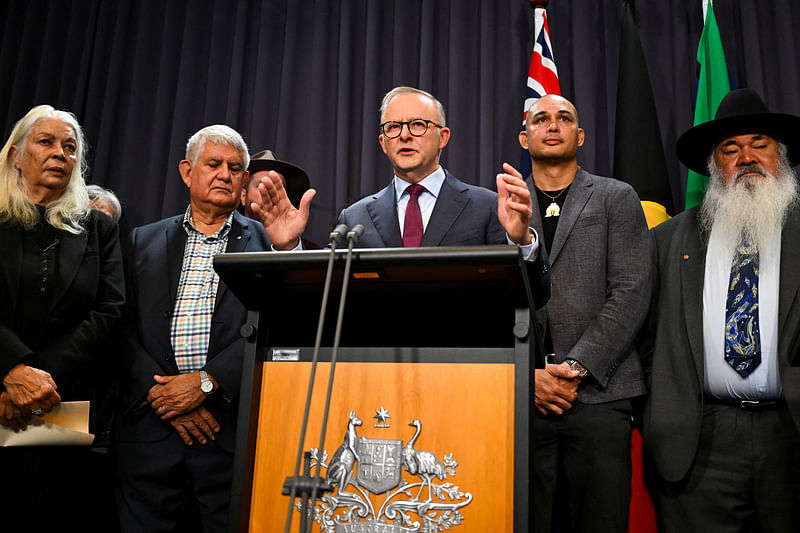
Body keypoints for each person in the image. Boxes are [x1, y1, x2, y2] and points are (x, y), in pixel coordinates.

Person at [639, 88, 800, 532]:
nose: (746, 157)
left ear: (781, 156)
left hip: (791, 432)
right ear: (714, 166)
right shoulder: (667, 241)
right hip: (698, 440)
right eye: (731, 149)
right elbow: (646, 338)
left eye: (760, 145)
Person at [254, 86, 549, 306]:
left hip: (466, 371)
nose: (405, 135)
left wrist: (521, 243)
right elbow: (325, 304)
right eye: (393, 127)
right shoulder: (353, 219)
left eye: (418, 125)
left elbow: (533, 298)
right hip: (377, 371)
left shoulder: (486, 207)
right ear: (383, 143)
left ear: (443, 137)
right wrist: (288, 249)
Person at [115, 125, 274, 532]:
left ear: (244, 181)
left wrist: (205, 384)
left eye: (235, 168)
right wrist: (161, 393)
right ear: (187, 171)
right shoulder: (142, 239)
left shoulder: (262, 241)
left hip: (225, 432)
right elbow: (118, 324)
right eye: (214, 164)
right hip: (150, 431)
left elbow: (273, 323)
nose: (224, 174)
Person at [516, 94, 652, 532]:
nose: (552, 125)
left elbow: (632, 290)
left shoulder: (617, 196)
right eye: (541, 119)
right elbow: (489, 298)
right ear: (524, 136)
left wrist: (575, 366)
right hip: (523, 398)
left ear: (581, 135)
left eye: (564, 118)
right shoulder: (501, 204)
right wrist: (527, 374)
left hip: (599, 396)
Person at [0, 105, 125, 530]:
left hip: (60, 403)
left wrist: (35, 378)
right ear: (17, 155)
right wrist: (9, 371)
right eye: (46, 142)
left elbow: (110, 312)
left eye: (70, 147)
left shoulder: (97, 229)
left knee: (47, 513)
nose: (60, 153)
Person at [240, 149, 308, 219]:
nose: (271, 193)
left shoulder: (293, 230)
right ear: (243, 196)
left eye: (278, 188)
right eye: (262, 186)